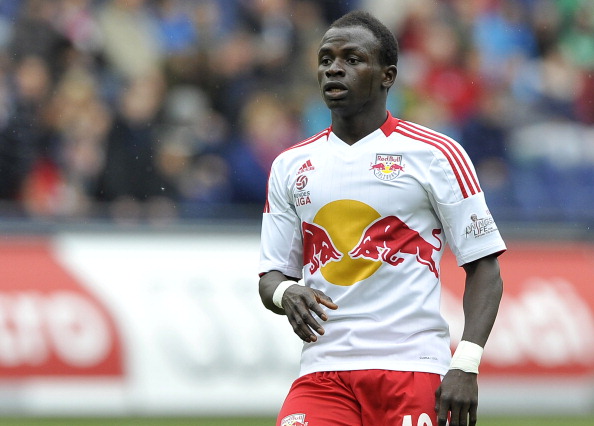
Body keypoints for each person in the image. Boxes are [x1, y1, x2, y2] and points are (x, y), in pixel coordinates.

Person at [258, 10, 505, 426]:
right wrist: (287, 293)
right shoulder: (290, 165)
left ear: (387, 75)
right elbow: (271, 277)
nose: (334, 68)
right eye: (326, 59)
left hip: (410, 366)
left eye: (352, 59)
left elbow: (484, 267)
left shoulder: (437, 155)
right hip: (323, 371)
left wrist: (465, 364)